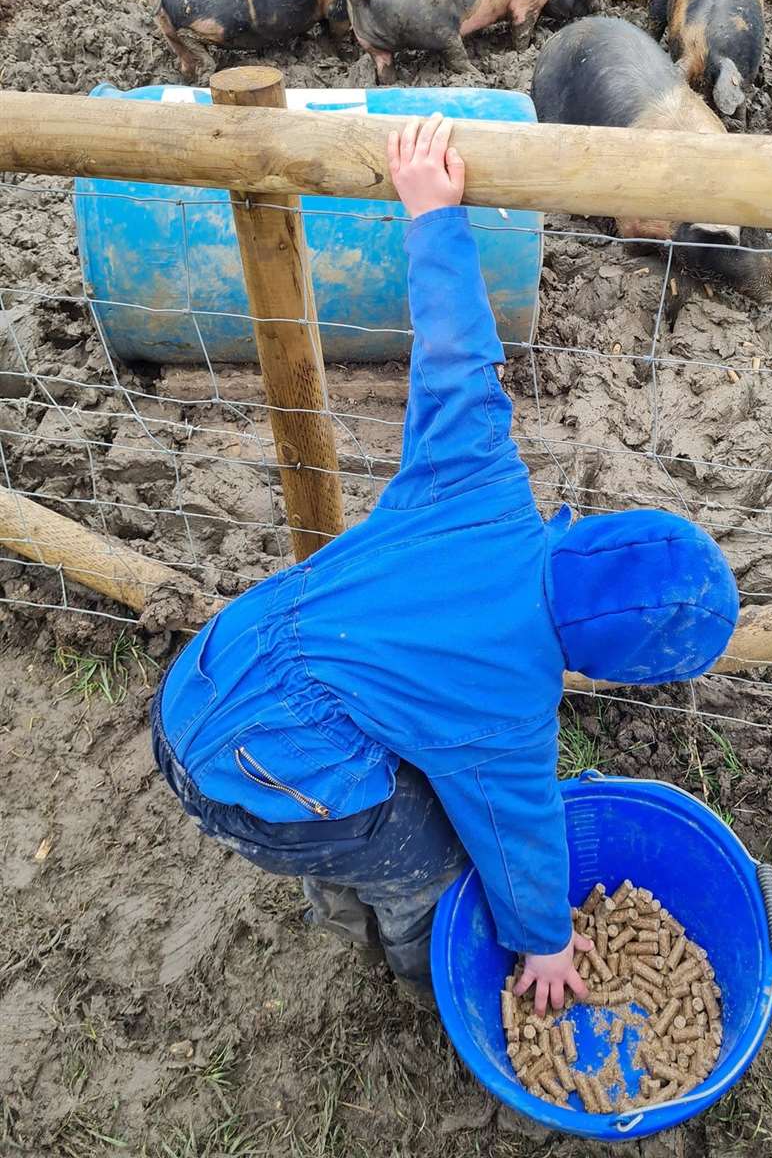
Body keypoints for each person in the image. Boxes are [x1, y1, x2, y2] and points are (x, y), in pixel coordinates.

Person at [150, 113, 740, 1014]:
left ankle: (332, 869)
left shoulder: (480, 480)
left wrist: (432, 214)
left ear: (594, 530)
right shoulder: (511, 717)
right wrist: (542, 941)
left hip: (203, 679)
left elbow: (457, 353)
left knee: (381, 767)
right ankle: (417, 962)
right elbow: (518, 836)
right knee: (436, 854)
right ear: (608, 671)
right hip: (261, 784)